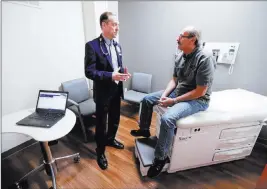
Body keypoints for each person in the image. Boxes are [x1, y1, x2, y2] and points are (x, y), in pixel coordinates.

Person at [130, 26, 216, 178]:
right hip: (180, 91)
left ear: (192, 39)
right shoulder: (180, 55)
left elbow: (200, 91)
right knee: (147, 100)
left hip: (198, 99)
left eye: (181, 36)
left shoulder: (205, 58)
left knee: (168, 118)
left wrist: (173, 101)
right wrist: (164, 95)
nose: (177, 38)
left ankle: (160, 158)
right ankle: (144, 129)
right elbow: (174, 80)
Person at [85, 12, 131, 170]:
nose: (117, 28)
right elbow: (89, 72)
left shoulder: (117, 45)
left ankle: (111, 139)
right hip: (103, 91)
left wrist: (122, 73)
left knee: (115, 118)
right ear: (104, 25)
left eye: (117, 25)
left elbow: (116, 66)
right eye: (114, 24)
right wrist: (111, 75)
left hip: (116, 89)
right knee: (101, 123)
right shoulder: (92, 46)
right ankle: (100, 151)